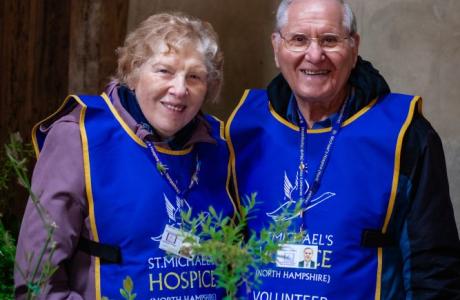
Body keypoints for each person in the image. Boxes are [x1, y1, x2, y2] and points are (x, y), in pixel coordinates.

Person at [226, 0, 460, 298]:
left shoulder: (404, 133)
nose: (314, 55)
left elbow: (434, 267)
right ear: (276, 47)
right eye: (298, 39)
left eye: (330, 40)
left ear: (354, 47)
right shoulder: (241, 126)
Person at [15, 12, 235, 299]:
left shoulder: (220, 144)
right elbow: (37, 281)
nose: (180, 89)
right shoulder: (79, 136)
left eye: (194, 76)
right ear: (133, 73)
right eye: (164, 71)